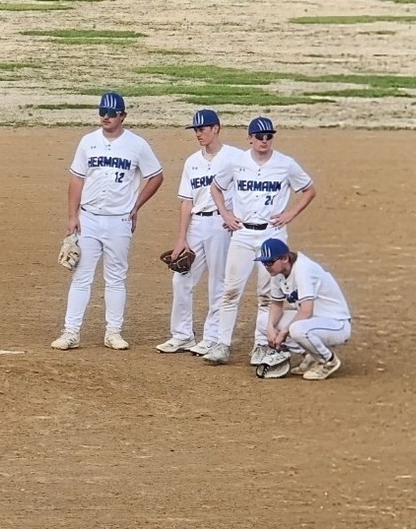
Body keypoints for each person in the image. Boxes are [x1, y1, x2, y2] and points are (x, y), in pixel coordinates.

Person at [51, 92, 164, 351]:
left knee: (115, 277)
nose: (106, 117)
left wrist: (136, 205)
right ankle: (71, 332)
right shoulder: (88, 141)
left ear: (123, 116)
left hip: (119, 220)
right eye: (103, 111)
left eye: (112, 113)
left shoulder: (137, 145)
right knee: (81, 276)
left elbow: (156, 176)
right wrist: (72, 216)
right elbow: (77, 179)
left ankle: (113, 332)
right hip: (88, 218)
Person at [200, 116, 316, 366]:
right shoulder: (236, 162)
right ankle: (222, 344)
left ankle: (261, 344)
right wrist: (226, 214)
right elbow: (216, 187)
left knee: (267, 295)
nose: (264, 141)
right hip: (242, 233)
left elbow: (309, 189)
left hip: (271, 235)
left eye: (269, 136)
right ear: (250, 138)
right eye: (259, 136)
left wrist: (290, 214)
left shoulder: (285, 164)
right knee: (231, 290)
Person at [157, 109, 243, 355]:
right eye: (196, 130)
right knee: (181, 278)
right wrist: (181, 238)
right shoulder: (192, 161)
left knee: (218, 282)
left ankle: (212, 337)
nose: (198, 134)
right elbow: (186, 201)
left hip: (221, 226)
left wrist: (234, 215)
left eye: (202, 129)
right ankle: (182, 335)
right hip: (197, 224)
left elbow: (247, 190)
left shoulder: (236, 158)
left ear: (216, 128)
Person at [254, 238, 351, 380]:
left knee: (296, 329)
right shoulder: (278, 273)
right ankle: (311, 356)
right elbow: (276, 304)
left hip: (336, 323)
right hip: (313, 321)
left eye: (270, 262)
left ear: (285, 258)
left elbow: (306, 311)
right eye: (264, 263)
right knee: (263, 321)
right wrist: (270, 328)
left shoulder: (303, 269)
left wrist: (282, 333)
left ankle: (328, 361)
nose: (267, 266)